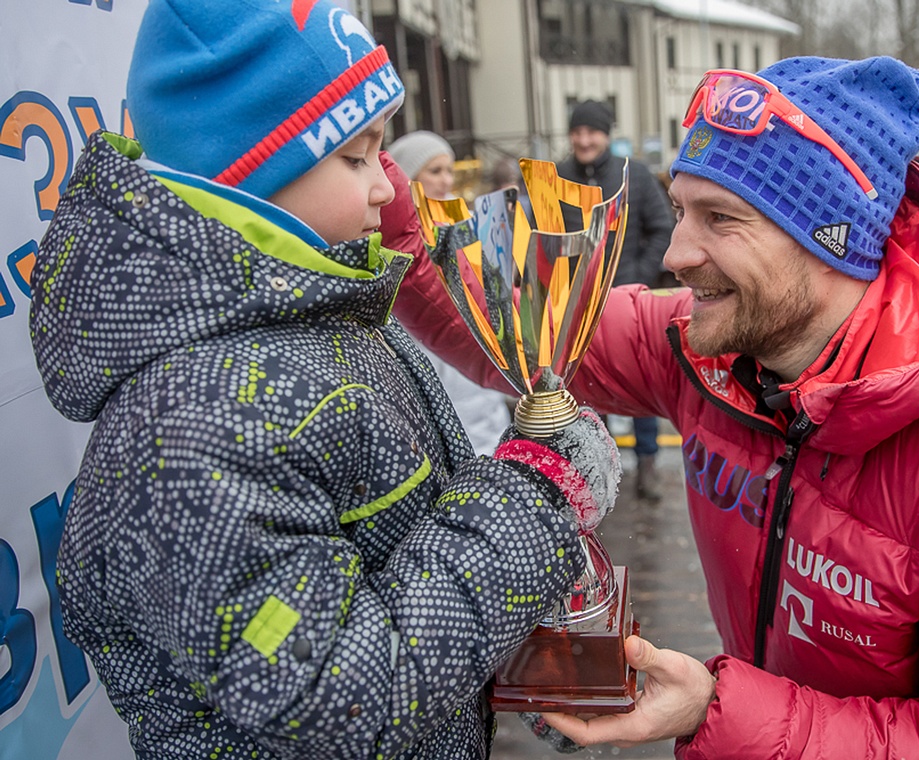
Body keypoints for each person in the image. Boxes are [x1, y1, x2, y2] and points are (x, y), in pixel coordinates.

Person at [393, 56, 919, 758]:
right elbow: (496, 322)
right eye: (681, 209)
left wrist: (717, 710)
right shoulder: (703, 348)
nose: (677, 252)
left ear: (832, 242)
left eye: (721, 219)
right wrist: (340, 146)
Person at [26, 1, 620, 757]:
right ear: (247, 173)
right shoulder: (192, 430)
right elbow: (336, 697)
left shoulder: (321, 319)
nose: (385, 189)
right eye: (356, 157)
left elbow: (398, 563)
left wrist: (519, 655)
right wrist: (532, 499)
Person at [557, 99, 675, 502]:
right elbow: (545, 236)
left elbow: (663, 228)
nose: (584, 140)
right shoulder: (555, 179)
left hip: (629, 302)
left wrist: (637, 276)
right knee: (585, 390)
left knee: (639, 385)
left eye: (592, 132)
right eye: (577, 132)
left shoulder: (635, 176)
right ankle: (595, 472)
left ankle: (647, 465)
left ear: (607, 135)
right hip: (575, 306)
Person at [388, 130, 513, 455]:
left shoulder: (463, 221)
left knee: (485, 432)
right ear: (409, 177)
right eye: (434, 171)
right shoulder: (396, 234)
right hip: (425, 348)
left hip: (476, 345)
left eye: (449, 171)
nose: (445, 180)